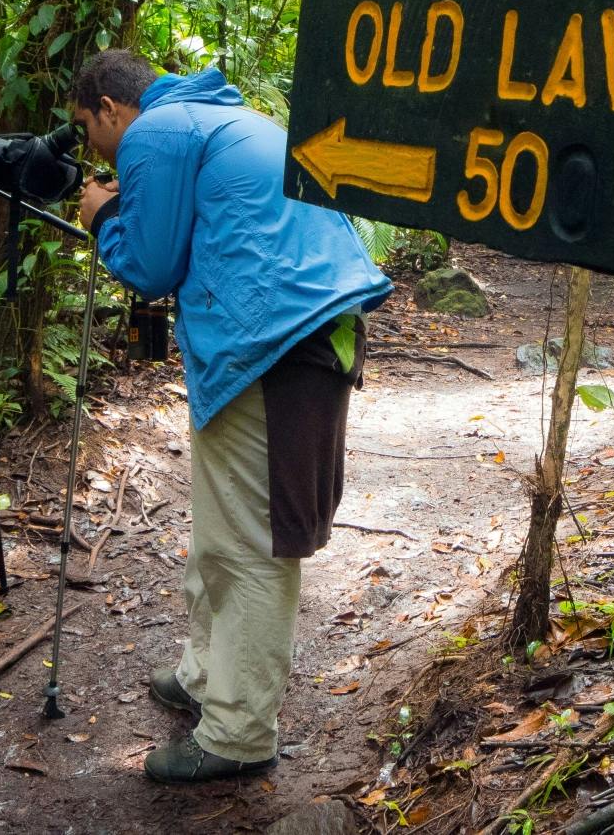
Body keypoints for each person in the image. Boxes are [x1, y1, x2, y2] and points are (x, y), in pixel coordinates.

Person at [72, 50, 391, 783]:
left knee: (249, 541)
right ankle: (206, 673)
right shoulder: (219, 116)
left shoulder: (156, 131)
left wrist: (106, 214)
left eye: (86, 127)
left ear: (111, 109)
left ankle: (240, 731)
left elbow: (149, 268)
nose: (91, 145)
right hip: (292, 333)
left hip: (276, 344)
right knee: (222, 526)